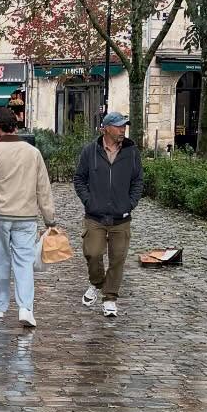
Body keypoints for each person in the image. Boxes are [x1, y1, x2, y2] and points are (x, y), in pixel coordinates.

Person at [0, 109, 57, 329]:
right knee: (24, 263)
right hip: (26, 215)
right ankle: (25, 308)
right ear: (15, 126)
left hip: (0, 215)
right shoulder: (33, 153)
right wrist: (49, 218)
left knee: (0, 261)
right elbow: (43, 187)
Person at [74, 111, 143, 320]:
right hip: (95, 216)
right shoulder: (90, 151)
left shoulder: (131, 152)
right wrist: (89, 201)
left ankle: (110, 298)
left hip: (121, 217)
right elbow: (79, 179)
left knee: (117, 259)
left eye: (124, 126)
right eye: (119, 126)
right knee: (93, 253)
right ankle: (96, 283)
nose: (123, 130)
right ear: (106, 128)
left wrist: (130, 203)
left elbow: (138, 180)